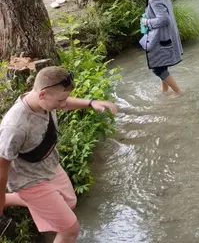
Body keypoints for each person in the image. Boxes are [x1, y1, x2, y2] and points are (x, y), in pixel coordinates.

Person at [0, 66, 118, 243]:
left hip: (50, 165)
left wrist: (91, 102)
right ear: (42, 94)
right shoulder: (15, 127)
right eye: (60, 101)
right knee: (70, 230)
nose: (64, 105)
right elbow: (2, 172)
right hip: (29, 180)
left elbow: (65, 102)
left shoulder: (43, 98)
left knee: (70, 203)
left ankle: (16, 200)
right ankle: (14, 200)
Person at [134, 0, 184, 93]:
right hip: (167, 36)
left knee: (158, 68)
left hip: (162, 38)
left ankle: (179, 92)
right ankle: (164, 92)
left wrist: (147, 22)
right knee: (162, 65)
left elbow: (164, 19)